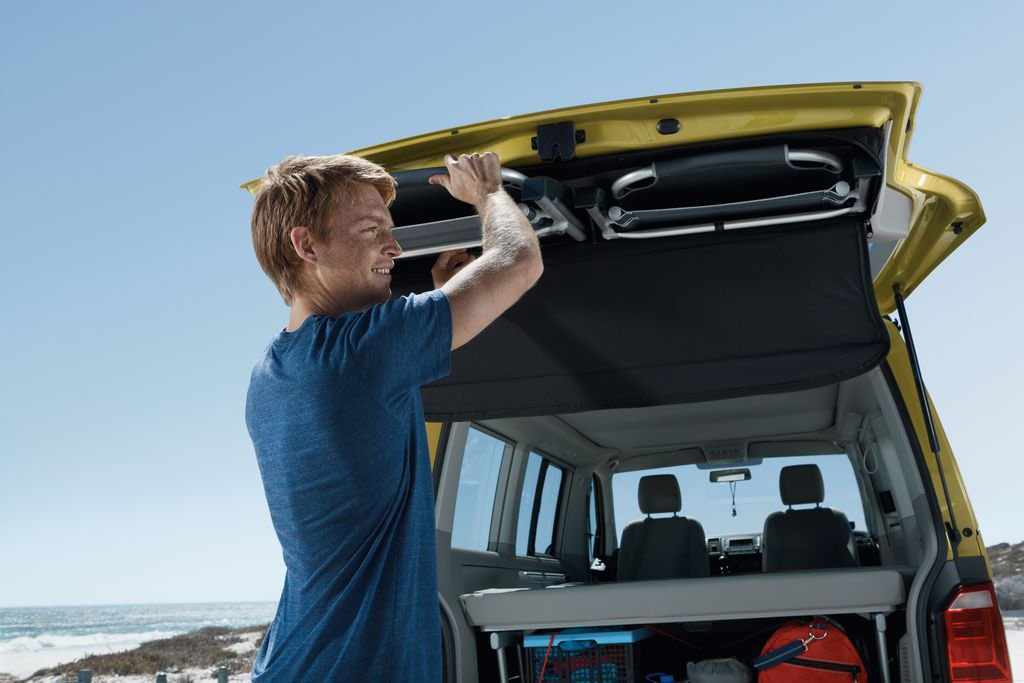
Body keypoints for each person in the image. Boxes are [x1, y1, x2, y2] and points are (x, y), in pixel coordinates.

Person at [245, 151, 542, 681]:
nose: (395, 246)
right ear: (306, 245)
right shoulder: (361, 352)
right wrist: (487, 192)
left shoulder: (272, 371)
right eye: (371, 230)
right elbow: (519, 261)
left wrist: (438, 299)